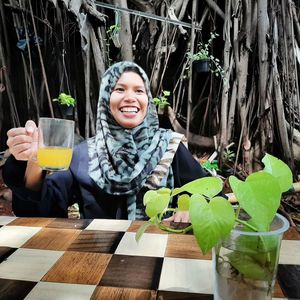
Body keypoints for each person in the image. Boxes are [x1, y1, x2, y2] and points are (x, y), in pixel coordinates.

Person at [3, 61, 207, 221]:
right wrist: (33, 160)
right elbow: (41, 213)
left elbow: (211, 195)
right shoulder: (84, 155)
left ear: (148, 101)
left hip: (160, 259)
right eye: (119, 89)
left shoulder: (169, 148)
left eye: (139, 90)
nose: (130, 97)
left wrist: (191, 211)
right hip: (96, 260)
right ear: (105, 100)